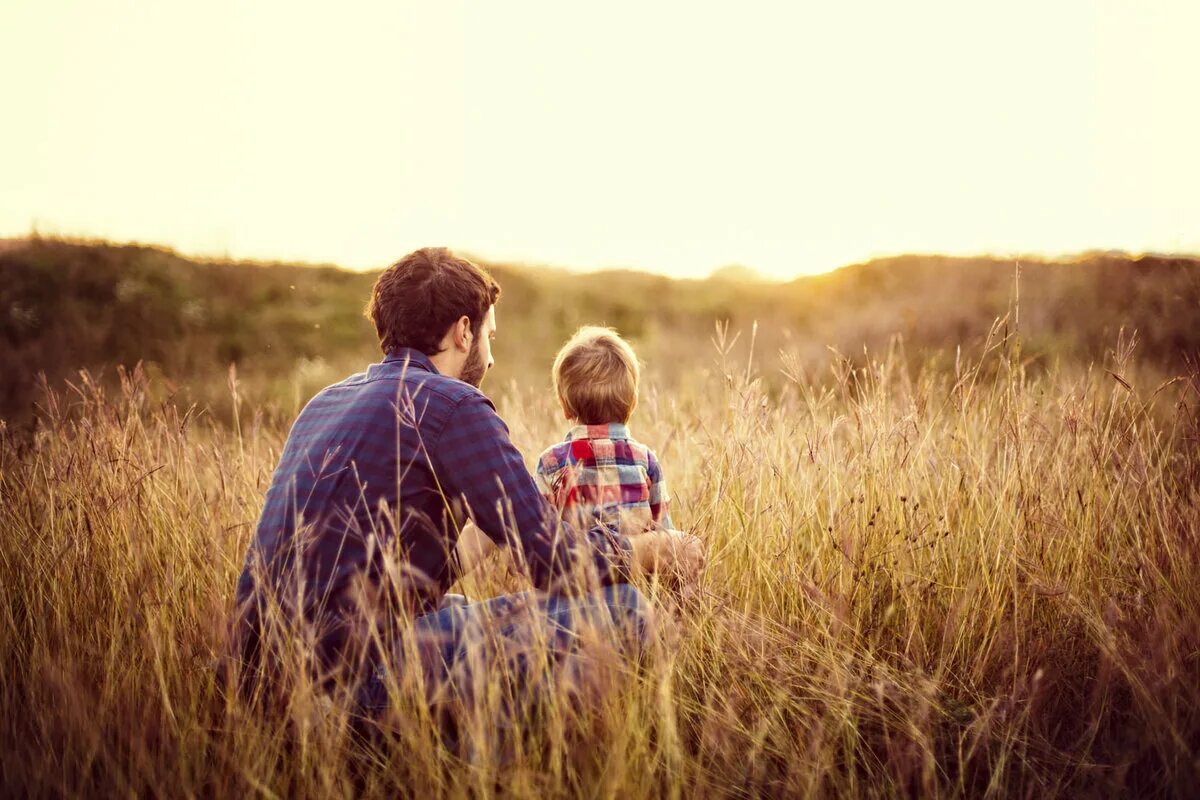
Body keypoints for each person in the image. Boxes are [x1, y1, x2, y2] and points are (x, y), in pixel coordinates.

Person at [226, 247, 703, 742]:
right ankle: (508, 764)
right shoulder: (454, 404)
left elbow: (375, 577)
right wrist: (654, 551)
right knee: (627, 607)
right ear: (462, 331)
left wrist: (490, 532)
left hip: (260, 680)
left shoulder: (325, 402)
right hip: (358, 679)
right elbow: (554, 564)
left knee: (451, 607)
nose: (491, 357)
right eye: (489, 336)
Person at [535, 326, 675, 537]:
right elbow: (666, 537)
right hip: (637, 567)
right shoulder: (645, 461)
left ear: (564, 407)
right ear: (633, 403)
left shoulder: (551, 463)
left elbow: (539, 537)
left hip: (577, 567)